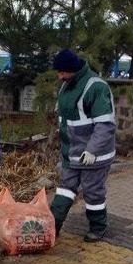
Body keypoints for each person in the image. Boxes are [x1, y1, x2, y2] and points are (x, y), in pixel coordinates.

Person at [49, 49, 116, 242]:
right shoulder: (67, 86)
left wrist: (92, 150)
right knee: (64, 188)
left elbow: (105, 124)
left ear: (73, 70)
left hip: (93, 155)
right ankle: (52, 225)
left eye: (62, 72)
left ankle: (98, 226)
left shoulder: (96, 87)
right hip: (73, 152)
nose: (59, 76)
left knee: (93, 192)